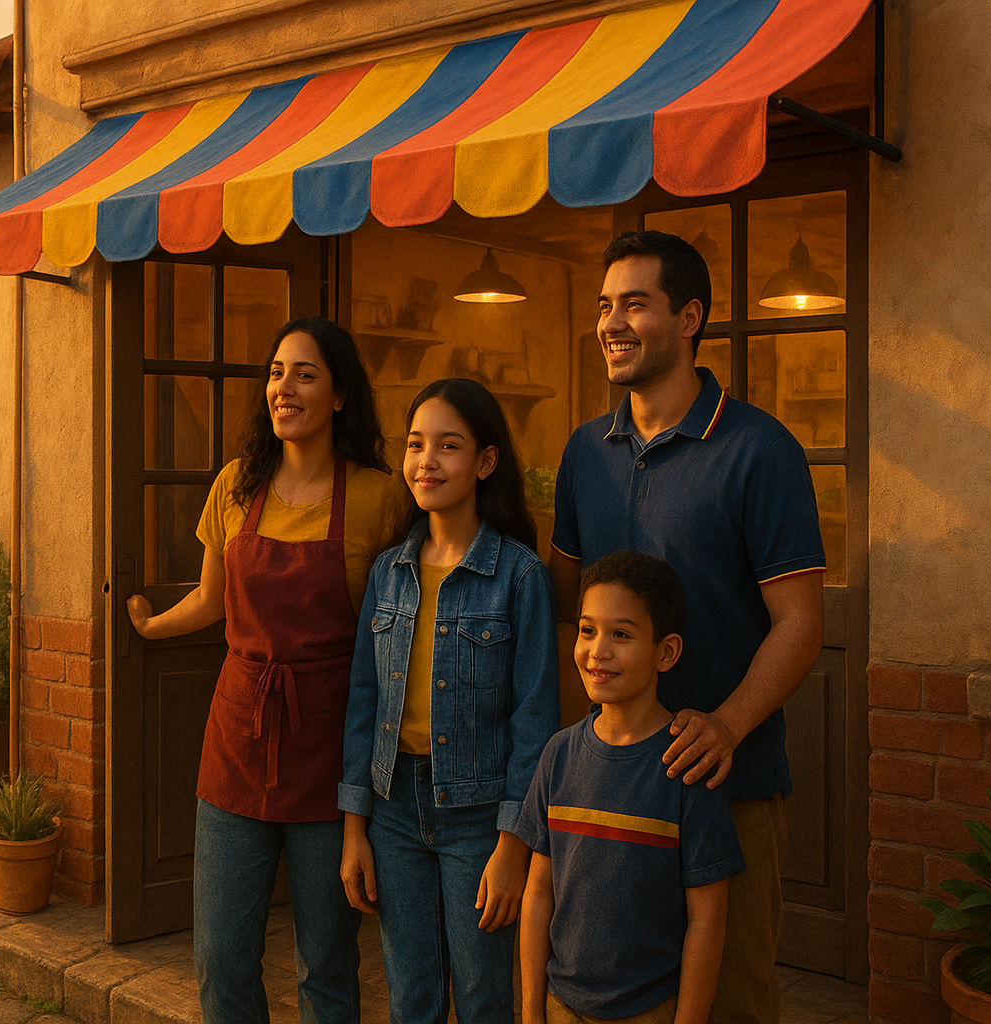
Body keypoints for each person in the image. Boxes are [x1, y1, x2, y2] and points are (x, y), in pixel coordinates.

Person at [550, 230, 825, 1024]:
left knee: (730, 1003)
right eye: (606, 305)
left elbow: (801, 622)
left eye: (635, 304)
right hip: (609, 792)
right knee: (613, 999)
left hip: (726, 784)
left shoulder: (760, 450)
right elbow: (563, 606)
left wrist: (728, 725)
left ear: (690, 317)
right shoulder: (583, 454)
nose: (612, 323)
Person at [125, 316, 403, 1024]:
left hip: (329, 750)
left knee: (328, 965)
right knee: (220, 958)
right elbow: (212, 599)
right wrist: (152, 627)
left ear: (339, 395)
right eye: (277, 373)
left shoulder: (379, 497)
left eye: (306, 374)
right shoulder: (234, 485)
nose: (286, 387)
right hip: (236, 744)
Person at [340, 378, 558, 1024]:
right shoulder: (388, 572)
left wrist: (513, 844)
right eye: (415, 445)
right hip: (393, 812)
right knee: (412, 998)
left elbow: (535, 719)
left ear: (486, 462)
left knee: (485, 998)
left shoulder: (520, 575)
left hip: (480, 818)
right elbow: (362, 702)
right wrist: (354, 829)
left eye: (448, 446)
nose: (426, 461)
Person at [518, 551, 745, 1024]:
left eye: (620, 634)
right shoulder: (558, 756)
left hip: (650, 1010)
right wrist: (532, 1010)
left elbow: (708, 918)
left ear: (667, 652)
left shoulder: (687, 767)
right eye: (587, 630)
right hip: (561, 1005)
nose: (598, 651)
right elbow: (538, 893)